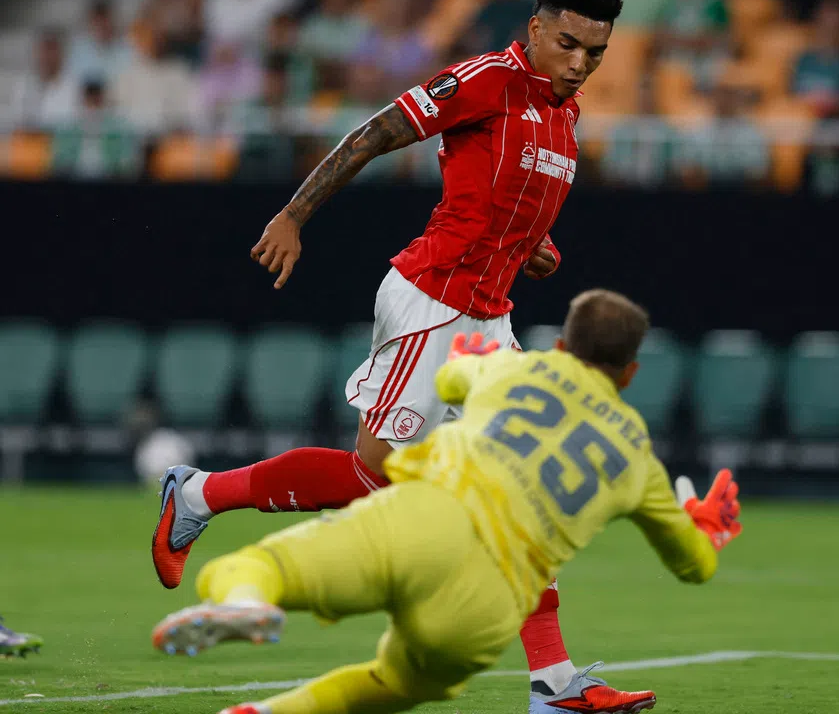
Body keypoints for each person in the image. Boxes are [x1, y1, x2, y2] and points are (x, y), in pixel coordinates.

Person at [151, 0, 655, 713]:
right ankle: (199, 494)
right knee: (373, 476)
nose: (580, 64)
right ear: (537, 30)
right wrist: (294, 215)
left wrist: (531, 245)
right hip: (433, 304)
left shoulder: (565, 115)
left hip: (489, 315)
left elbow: (509, 199)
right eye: (570, 44)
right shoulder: (486, 80)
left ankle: (554, 684)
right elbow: (373, 132)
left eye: (596, 54)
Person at [152, 290, 743, 714]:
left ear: (562, 345)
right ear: (633, 373)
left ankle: (241, 589)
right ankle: (551, 683)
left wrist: (473, 366)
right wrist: (707, 529)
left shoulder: (518, 372)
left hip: (413, 525)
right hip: (487, 597)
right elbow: (695, 564)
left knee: (269, 565)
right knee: (396, 680)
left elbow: (458, 380)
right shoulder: (633, 451)